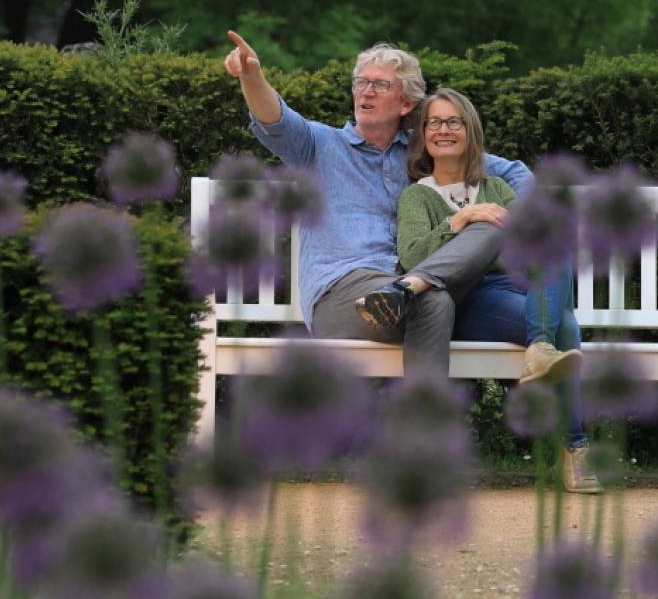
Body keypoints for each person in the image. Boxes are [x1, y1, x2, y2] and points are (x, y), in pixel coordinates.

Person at [222, 31, 527, 382]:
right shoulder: (319, 146)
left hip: (421, 289)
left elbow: (514, 173)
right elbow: (275, 120)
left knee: (531, 317)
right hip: (342, 295)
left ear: (406, 104)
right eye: (360, 82)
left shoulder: (424, 150)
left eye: (380, 85)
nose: (366, 91)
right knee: (431, 300)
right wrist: (252, 76)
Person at [397, 88, 599, 494]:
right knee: (563, 325)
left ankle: (540, 348)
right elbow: (413, 257)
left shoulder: (496, 187)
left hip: (514, 288)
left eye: (454, 122)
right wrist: (462, 219)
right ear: (423, 135)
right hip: (464, 297)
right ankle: (574, 446)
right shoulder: (417, 196)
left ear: (470, 131)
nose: (443, 130)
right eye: (434, 122)